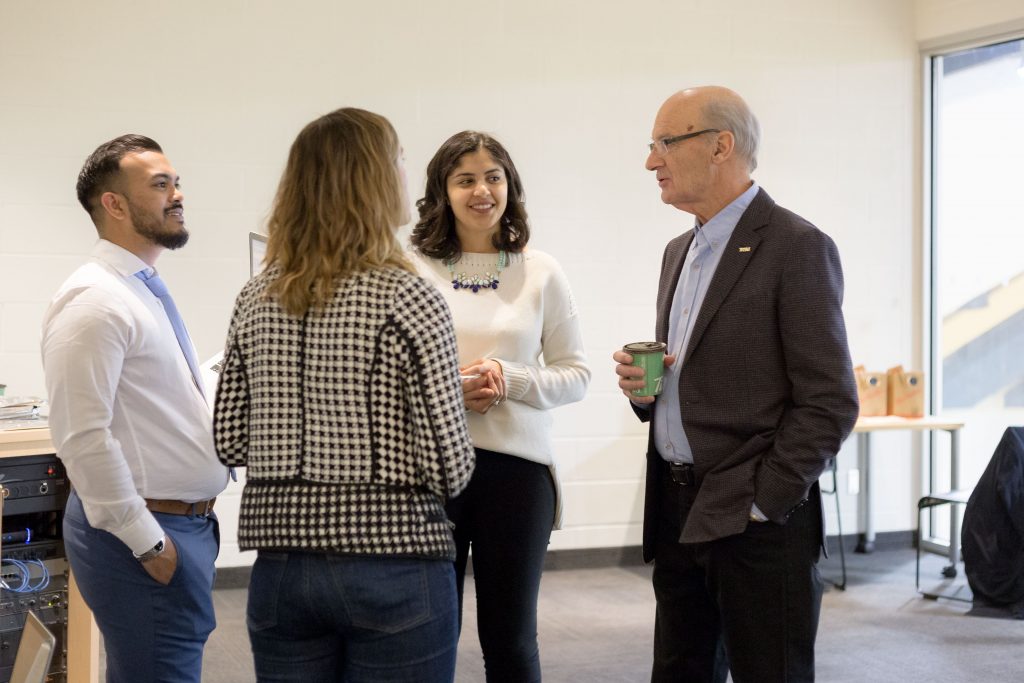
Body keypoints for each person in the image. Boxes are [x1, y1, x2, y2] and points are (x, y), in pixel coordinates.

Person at [212, 108, 476, 682]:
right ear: (378, 180)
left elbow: (229, 441)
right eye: (401, 159)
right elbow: (448, 467)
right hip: (395, 563)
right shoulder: (409, 298)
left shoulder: (254, 299)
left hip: (281, 567)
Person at [612, 87, 860, 683]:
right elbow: (694, 374)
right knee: (680, 671)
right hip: (676, 511)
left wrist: (764, 500)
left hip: (755, 521)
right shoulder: (680, 250)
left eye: (666, 143)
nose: (652, 161)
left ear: (722, 145)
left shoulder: (797, 247)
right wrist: (648, 393)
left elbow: (829, 401)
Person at [41, 134, 229, 682]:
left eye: (177, 183)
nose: (178, 195)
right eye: (160, 185)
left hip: (181, 524)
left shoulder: (140, 289)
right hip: (144, 533)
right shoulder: (95, 301)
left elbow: (168, 395)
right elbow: (82, 437)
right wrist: (147, 542)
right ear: (115, 204)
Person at [410, 131, 591, 682]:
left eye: (493, 177)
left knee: (510, 639)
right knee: (425, 635)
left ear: (510, 186)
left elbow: (576, 375)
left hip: (516, 477)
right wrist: (446, 387)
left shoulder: (541, 271)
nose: (481, 190)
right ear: (442, 191)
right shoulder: (408, 267)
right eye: (464, 179)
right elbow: (379, 377)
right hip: (428, 472)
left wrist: (507, 379)